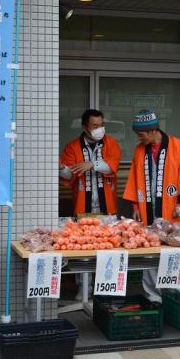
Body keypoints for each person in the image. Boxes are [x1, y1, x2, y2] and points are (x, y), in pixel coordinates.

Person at [123, 109, 180, 302]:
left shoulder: (178, 146)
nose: (139, 137)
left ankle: (177, 297)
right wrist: (136, 207)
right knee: (150, 254)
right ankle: (154, 299)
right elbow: (133, 179)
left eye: (141, 133)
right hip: (148, 210)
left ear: (153, 130)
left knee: (174, 256)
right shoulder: (139, 150)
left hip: (173, 212)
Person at [59, 109, 121, 300]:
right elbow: (69, 175)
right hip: (82, 207)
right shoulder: (72, 147)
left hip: (106, 207)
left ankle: (106, 288)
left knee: (108, 248)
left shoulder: (111, 143)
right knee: (82, 249)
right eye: (95, 126)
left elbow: (112, 165)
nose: (100, 129)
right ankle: (83, 288)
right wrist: (60, 168)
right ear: (85, 126)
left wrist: (92, 164)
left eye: (102, 125)